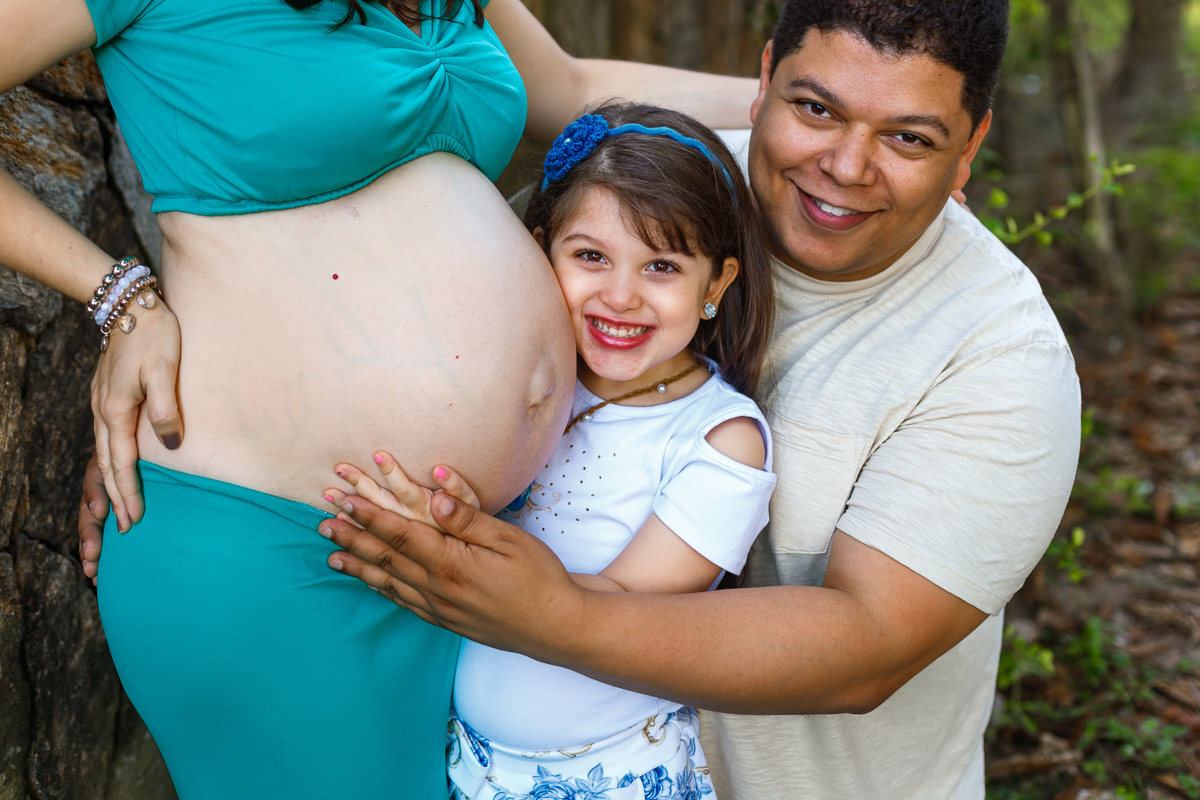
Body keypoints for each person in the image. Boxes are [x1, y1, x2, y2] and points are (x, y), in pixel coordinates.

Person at [288, 1, 1082, 797]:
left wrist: (547, 613)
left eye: (910, 138)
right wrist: (155, 297)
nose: (846, 165)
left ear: (970, 147)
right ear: (764, 79)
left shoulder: (999, 354)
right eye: (815, 108)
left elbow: (870, 642)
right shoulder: (657, 193)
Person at [2, 0, 757, 796]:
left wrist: (797, 105)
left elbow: (571, 85)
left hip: (461, 559)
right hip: (277, 544)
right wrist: (117, 295)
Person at [325, 102, 777, 799]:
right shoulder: (519, 385)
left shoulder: (720, 439)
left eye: (661, 265)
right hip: (467, 760)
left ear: (716, 284)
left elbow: (618, 612)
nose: (620, 296)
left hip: (615, 773)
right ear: (539, 254)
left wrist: (459, 537)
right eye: (591, 257)